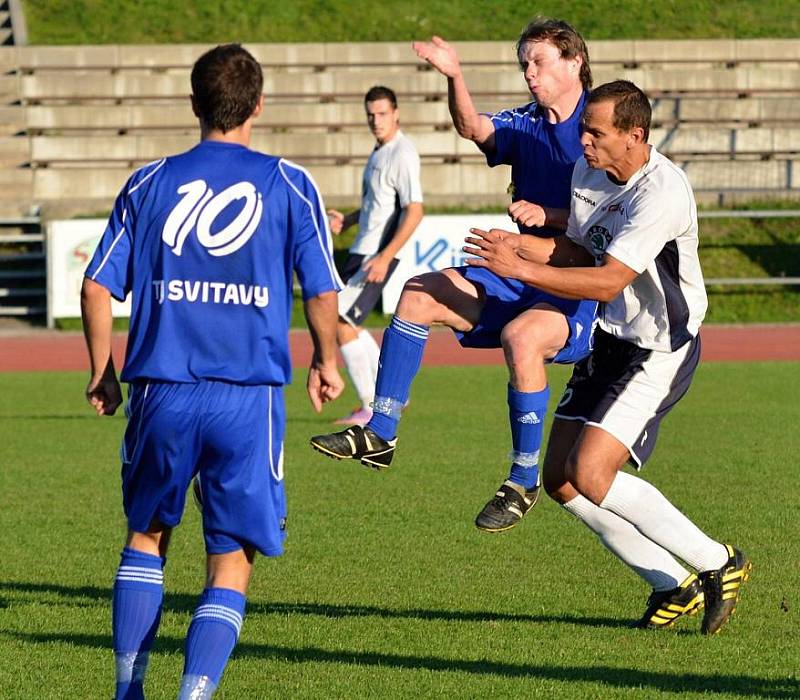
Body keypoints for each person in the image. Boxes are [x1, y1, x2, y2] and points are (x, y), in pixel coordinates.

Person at [81, 44, 344, 699]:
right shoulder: (289, 183)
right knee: (230, 555)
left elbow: (95, 287)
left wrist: (102, 372)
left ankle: (126, 689)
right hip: (247, 399)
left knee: (147, 536)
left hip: (162, 391)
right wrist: (327, 358)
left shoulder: (148, 183)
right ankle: (193, 695)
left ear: (194, 104)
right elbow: (320, 290)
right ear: (258, 105)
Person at [463, 79, 750, 634]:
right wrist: (521, 245)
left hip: (660, 348)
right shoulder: (587, 172)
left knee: (592, 473)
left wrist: (519, 269)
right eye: (583, 130)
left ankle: (719, 561)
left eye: (595, 132)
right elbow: (580, 250)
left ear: (634, 135)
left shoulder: (662, 192)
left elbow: (606, 279)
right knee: (562, 482)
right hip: (613, 339)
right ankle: (674, 584)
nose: (584, 141)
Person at [311, 18, 598, 534]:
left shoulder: (599, 126)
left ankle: (522, 478)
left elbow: (609, 215)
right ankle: (381, 430)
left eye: (540, 61)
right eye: (524, 63)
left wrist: (550, 216)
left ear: (575, 61)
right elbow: (474, 128)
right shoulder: (528, 122)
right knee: (417, 294)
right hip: (514, 268)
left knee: (522, 337)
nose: (529, 73)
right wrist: (454, 76)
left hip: (570, 281)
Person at [327, 85, 424, 427]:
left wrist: (385, 256)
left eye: (382, 114)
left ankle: (372, 405)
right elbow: (378, 204)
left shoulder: (402, 153)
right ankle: (393, 392)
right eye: (371, 114)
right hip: (362, 248)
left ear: (396, 113)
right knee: (349, 321)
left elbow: (414, 210)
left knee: (340, 322)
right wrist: (349, 220)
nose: (376, 120)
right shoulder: (379, 150)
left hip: (375, 253)